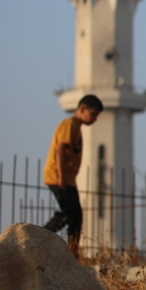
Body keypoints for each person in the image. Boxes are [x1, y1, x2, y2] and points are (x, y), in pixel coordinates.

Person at [43, 94, 103, 257]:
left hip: (69, 180)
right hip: (58, 178)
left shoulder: (77, 128)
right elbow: (60, 149)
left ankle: (73, 253)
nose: (95, 119)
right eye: (93, 115)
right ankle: (41, 237)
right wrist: (62, 176)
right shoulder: (69, 125)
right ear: (82, 109)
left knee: (76, 216)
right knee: (69, 212)